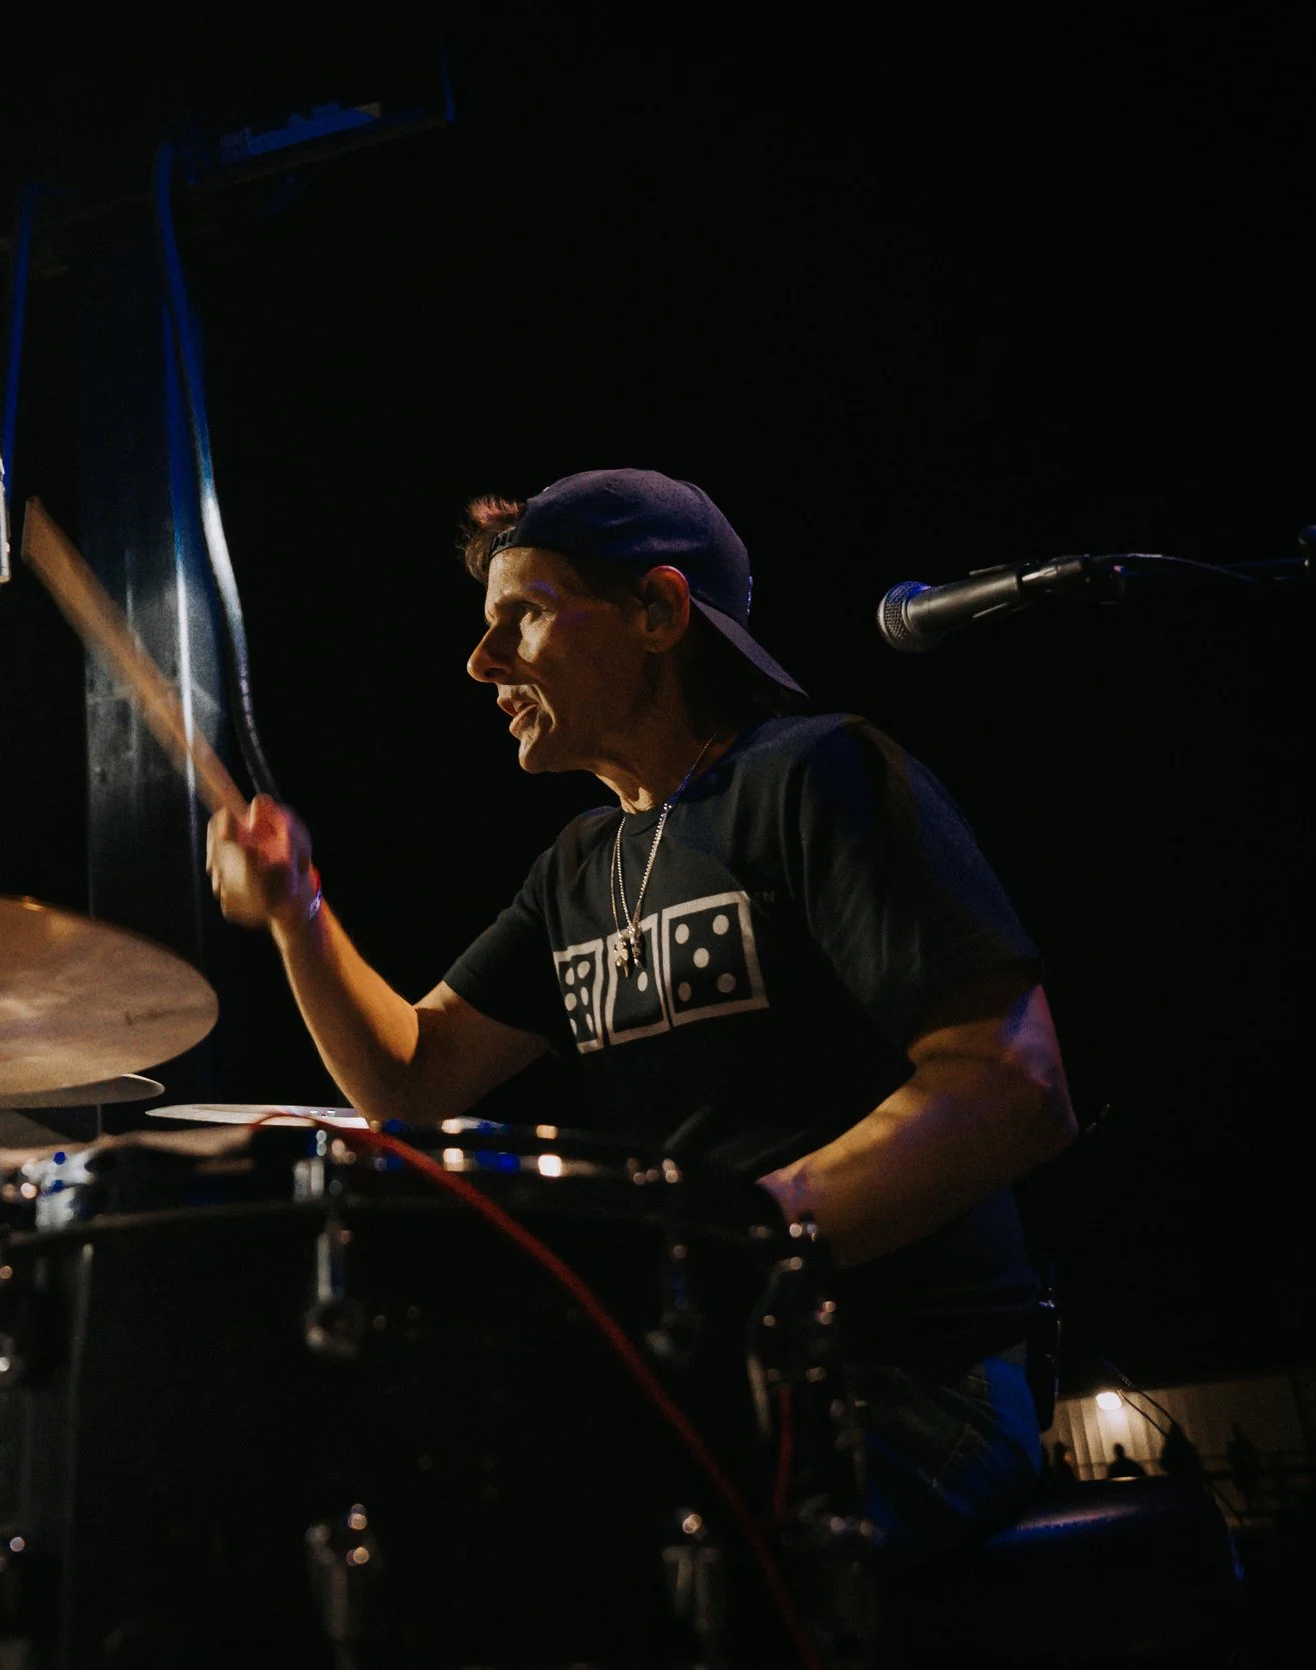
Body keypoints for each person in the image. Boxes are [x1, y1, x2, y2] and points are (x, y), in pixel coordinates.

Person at [206, 469, 1077, 1563]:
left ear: (659, 612)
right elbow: (412, 1079)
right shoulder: (578, 864)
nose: (480, 662)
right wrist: (297, 913)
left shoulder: (813, 775)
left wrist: (719, 1245)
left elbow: (1011, 1087)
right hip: (708, 1373)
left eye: (520, 616)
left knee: (644, 1559)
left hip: (906, 1373)